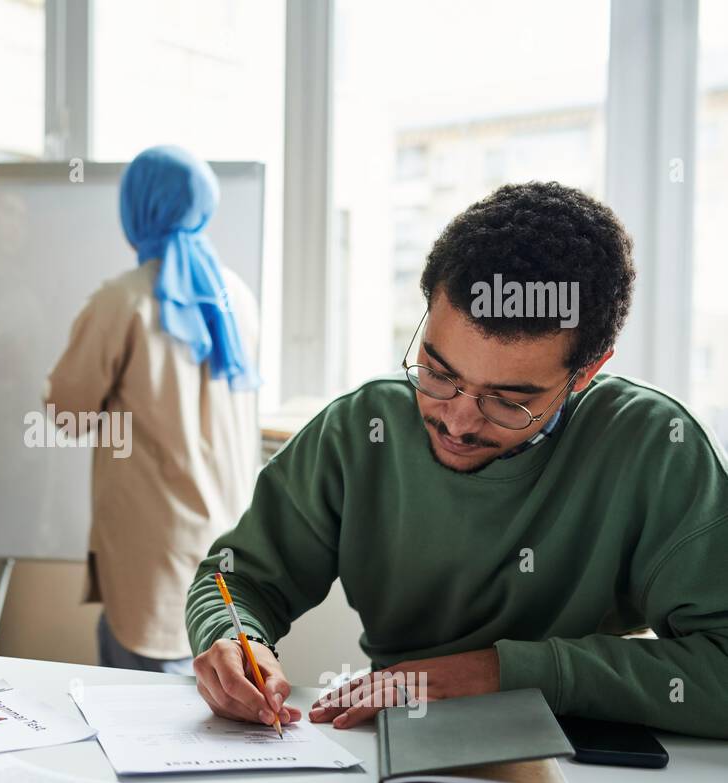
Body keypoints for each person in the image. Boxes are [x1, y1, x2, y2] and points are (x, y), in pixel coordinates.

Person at [186, 181, 728, 739]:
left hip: (593, 762)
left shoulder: (654, 445)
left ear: (585, 373)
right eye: (440, 372)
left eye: (508, 399)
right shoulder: (361, 431)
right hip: (388, 746)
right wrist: (233, 639)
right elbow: (237, 580)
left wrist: (505, 673)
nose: (459, 421)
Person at [47, 145, 261, 673]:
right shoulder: (236, 296)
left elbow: (67, 413)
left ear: (135, 210)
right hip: (228, 545)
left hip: (152, 554)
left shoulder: (124, 300)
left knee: (137, 728)